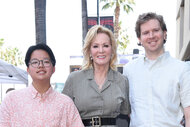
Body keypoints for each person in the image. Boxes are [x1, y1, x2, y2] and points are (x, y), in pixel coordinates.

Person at [123, 12, 190, 127]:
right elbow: (129, 111)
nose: (151, 36)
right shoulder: (129, 70)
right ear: (139, 39)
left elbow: (188, 113)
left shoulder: (182, 69)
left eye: (155, 30)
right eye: (146, 33)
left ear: (164, 33)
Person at [0, 43, 84, 127]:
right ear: (28, 69)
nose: (40, 65)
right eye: (35, 62)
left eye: (46, 62)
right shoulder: (11, 100)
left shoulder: (65, 103)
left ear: (53, 69)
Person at [62, 25, 130, 127]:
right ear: (89, 50)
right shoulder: (74, 79)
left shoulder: (122, 80)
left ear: (112, 49)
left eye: (106, 45)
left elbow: (126, 116)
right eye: (95, 46)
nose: (101, 50)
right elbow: (64, 115)